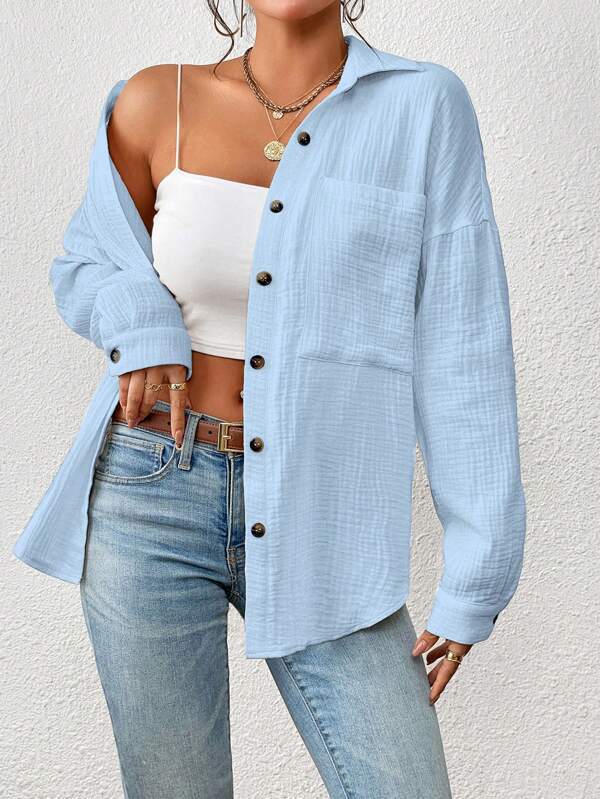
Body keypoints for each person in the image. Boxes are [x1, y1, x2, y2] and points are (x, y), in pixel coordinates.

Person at [13, 1, 526, 796]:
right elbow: (89, 260)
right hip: (150, 489)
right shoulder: (157, 100)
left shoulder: (425, 107)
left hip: (324, 503)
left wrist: (476, 575)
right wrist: (142, 322)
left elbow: (462, 346)